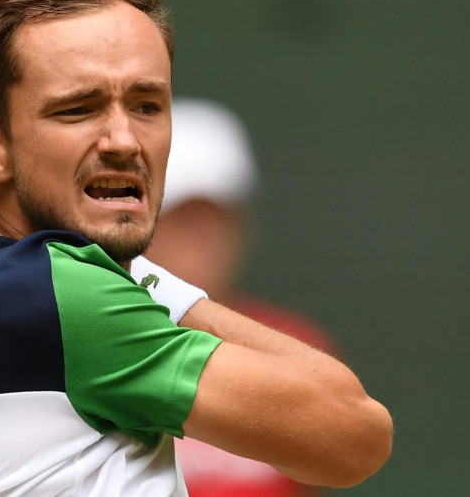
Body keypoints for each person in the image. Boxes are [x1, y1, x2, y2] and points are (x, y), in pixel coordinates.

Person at [0, 0, 393, 496]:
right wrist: (141, 281)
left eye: (147, 105)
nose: (124, 141)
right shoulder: (63, 301)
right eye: (77, 109)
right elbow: (356, 434)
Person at [130, 98, 340, 497]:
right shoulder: (85, 342)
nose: (202, 239)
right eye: (180, 218)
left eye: (216, 218)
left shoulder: (292, 347)